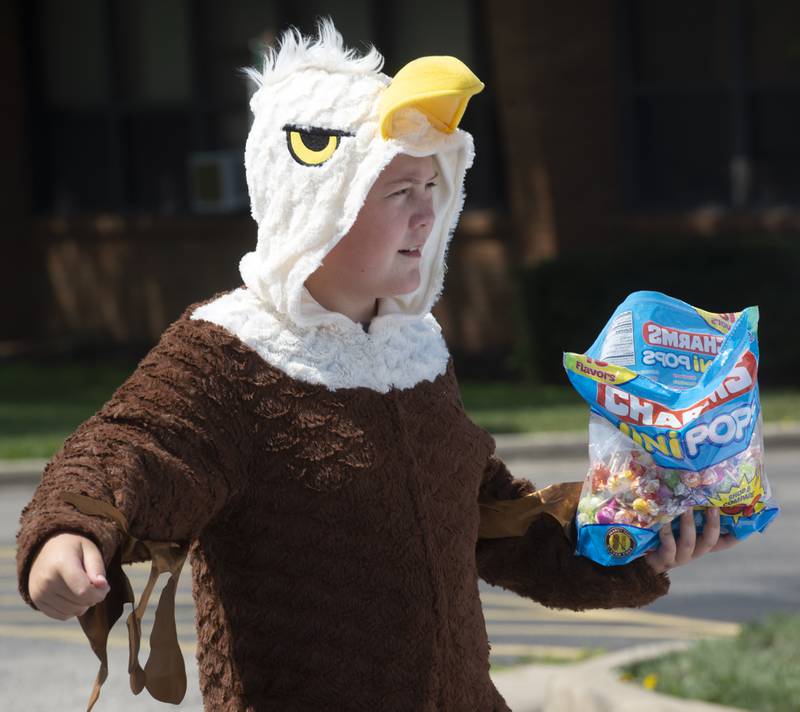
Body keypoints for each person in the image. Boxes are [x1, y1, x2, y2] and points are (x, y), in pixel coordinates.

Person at [16, 20, 738, 712]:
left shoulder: (412, 349)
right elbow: (131, 448)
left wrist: (630, 538)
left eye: (432, 189)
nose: (426, 217)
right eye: (398, 192)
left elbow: (488, 518)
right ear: (316, 204)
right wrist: (70, 532)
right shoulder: (227, 353)